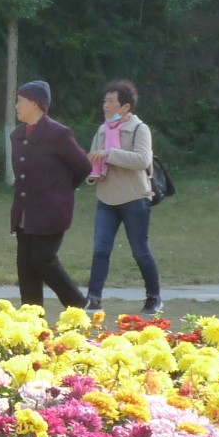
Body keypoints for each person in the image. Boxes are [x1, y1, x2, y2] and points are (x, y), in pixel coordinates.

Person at [9, 79, 93, 313]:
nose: (17, 105)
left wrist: (62, 191)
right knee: (25, 265)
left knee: (42, 258)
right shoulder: (17, 135)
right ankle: (32, 320)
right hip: (25, 211)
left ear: (35, 104)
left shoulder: (58, 133)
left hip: (52, 212)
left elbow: (83, 166)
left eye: (20, 101)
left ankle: (79, 305)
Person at [81, 79, 161, 317]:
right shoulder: (102, 130)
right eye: (105, 101)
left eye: (111, 101)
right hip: (106, 198)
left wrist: (110, 154)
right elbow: (93, 158)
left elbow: (142, 160)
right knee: (100, 249)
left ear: (126, 107)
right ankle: (93, 299)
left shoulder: (139, 129)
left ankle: (154, 297)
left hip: (135, 198)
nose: (106, 105)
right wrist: (91, 171)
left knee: (140, 250)